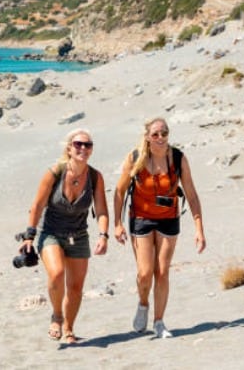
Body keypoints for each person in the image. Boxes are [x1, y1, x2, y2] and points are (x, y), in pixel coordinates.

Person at [113, 117, 205, 338]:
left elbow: (191, 194)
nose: (161, 138)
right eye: (155, 134)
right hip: (141, 219)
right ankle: (143, 304)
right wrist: (117, 224)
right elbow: (119, 192)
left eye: (164, 133)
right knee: (145, 273)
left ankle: (159, 322)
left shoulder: (178, 158)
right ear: (147, 137)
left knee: (162, 272)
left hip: (168, 219)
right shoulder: (135, 158)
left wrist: (199, 228)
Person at [19, 128, 109, 344]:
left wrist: (103, 235)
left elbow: (102, 210)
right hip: (50, 232)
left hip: (78, 235)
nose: (83, 148)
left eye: (88, 145)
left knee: (76, 288)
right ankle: (57, 316)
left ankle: (69, 328)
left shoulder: (95, 177)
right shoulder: (54, 172)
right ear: (69, 148)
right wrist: (29, 235)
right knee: (57, 273)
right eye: (78, 144)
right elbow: (38, 204)